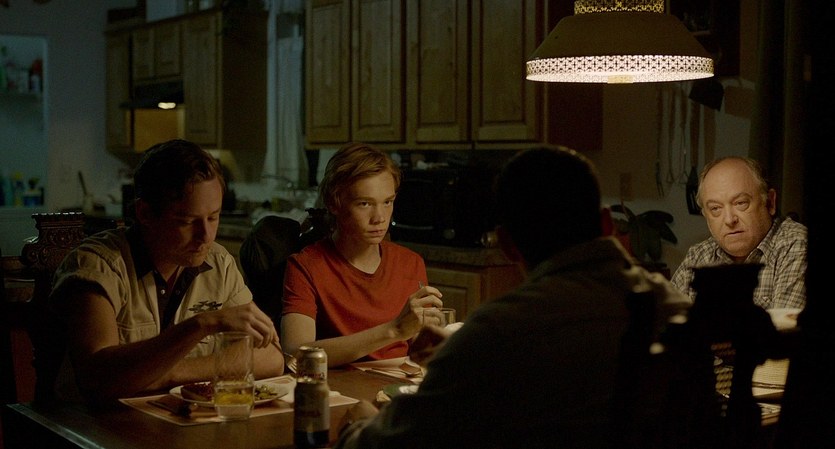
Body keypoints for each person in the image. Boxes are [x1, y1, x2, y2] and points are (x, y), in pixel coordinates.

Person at [333, 147, 691, 449]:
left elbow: (398, 441)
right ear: (607, 224)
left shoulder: (501, 330)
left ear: (506, 244)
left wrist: (358, 425)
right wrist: (459, 353)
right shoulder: (674, 308)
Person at [49, 139, 284, 404]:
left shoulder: (219, 263)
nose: (205, 235)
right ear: (145, 213)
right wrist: (201, 325)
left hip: (177, 419)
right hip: (92, 423)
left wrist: (169, 374)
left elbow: (271, 357)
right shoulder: (98, 266)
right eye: (187, 221)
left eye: (213, 217)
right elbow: (98, 380)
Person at [280, 142, 443, 367]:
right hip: (340, 385)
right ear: (334, 203)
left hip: (397, 382)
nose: (380, 218)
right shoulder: (306, 266)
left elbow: (420, 351)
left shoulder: (410, 263)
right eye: (365, 204)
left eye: (387, 202)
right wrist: (394, 330)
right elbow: (296, 354)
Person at [671, 156, 807, 310]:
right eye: (715, 208)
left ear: (770, 202)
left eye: (740, 203)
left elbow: (784, 325)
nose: (729, 220)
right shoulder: (698, 256)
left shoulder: (796, 245)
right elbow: (663, 320)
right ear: (706, 215)